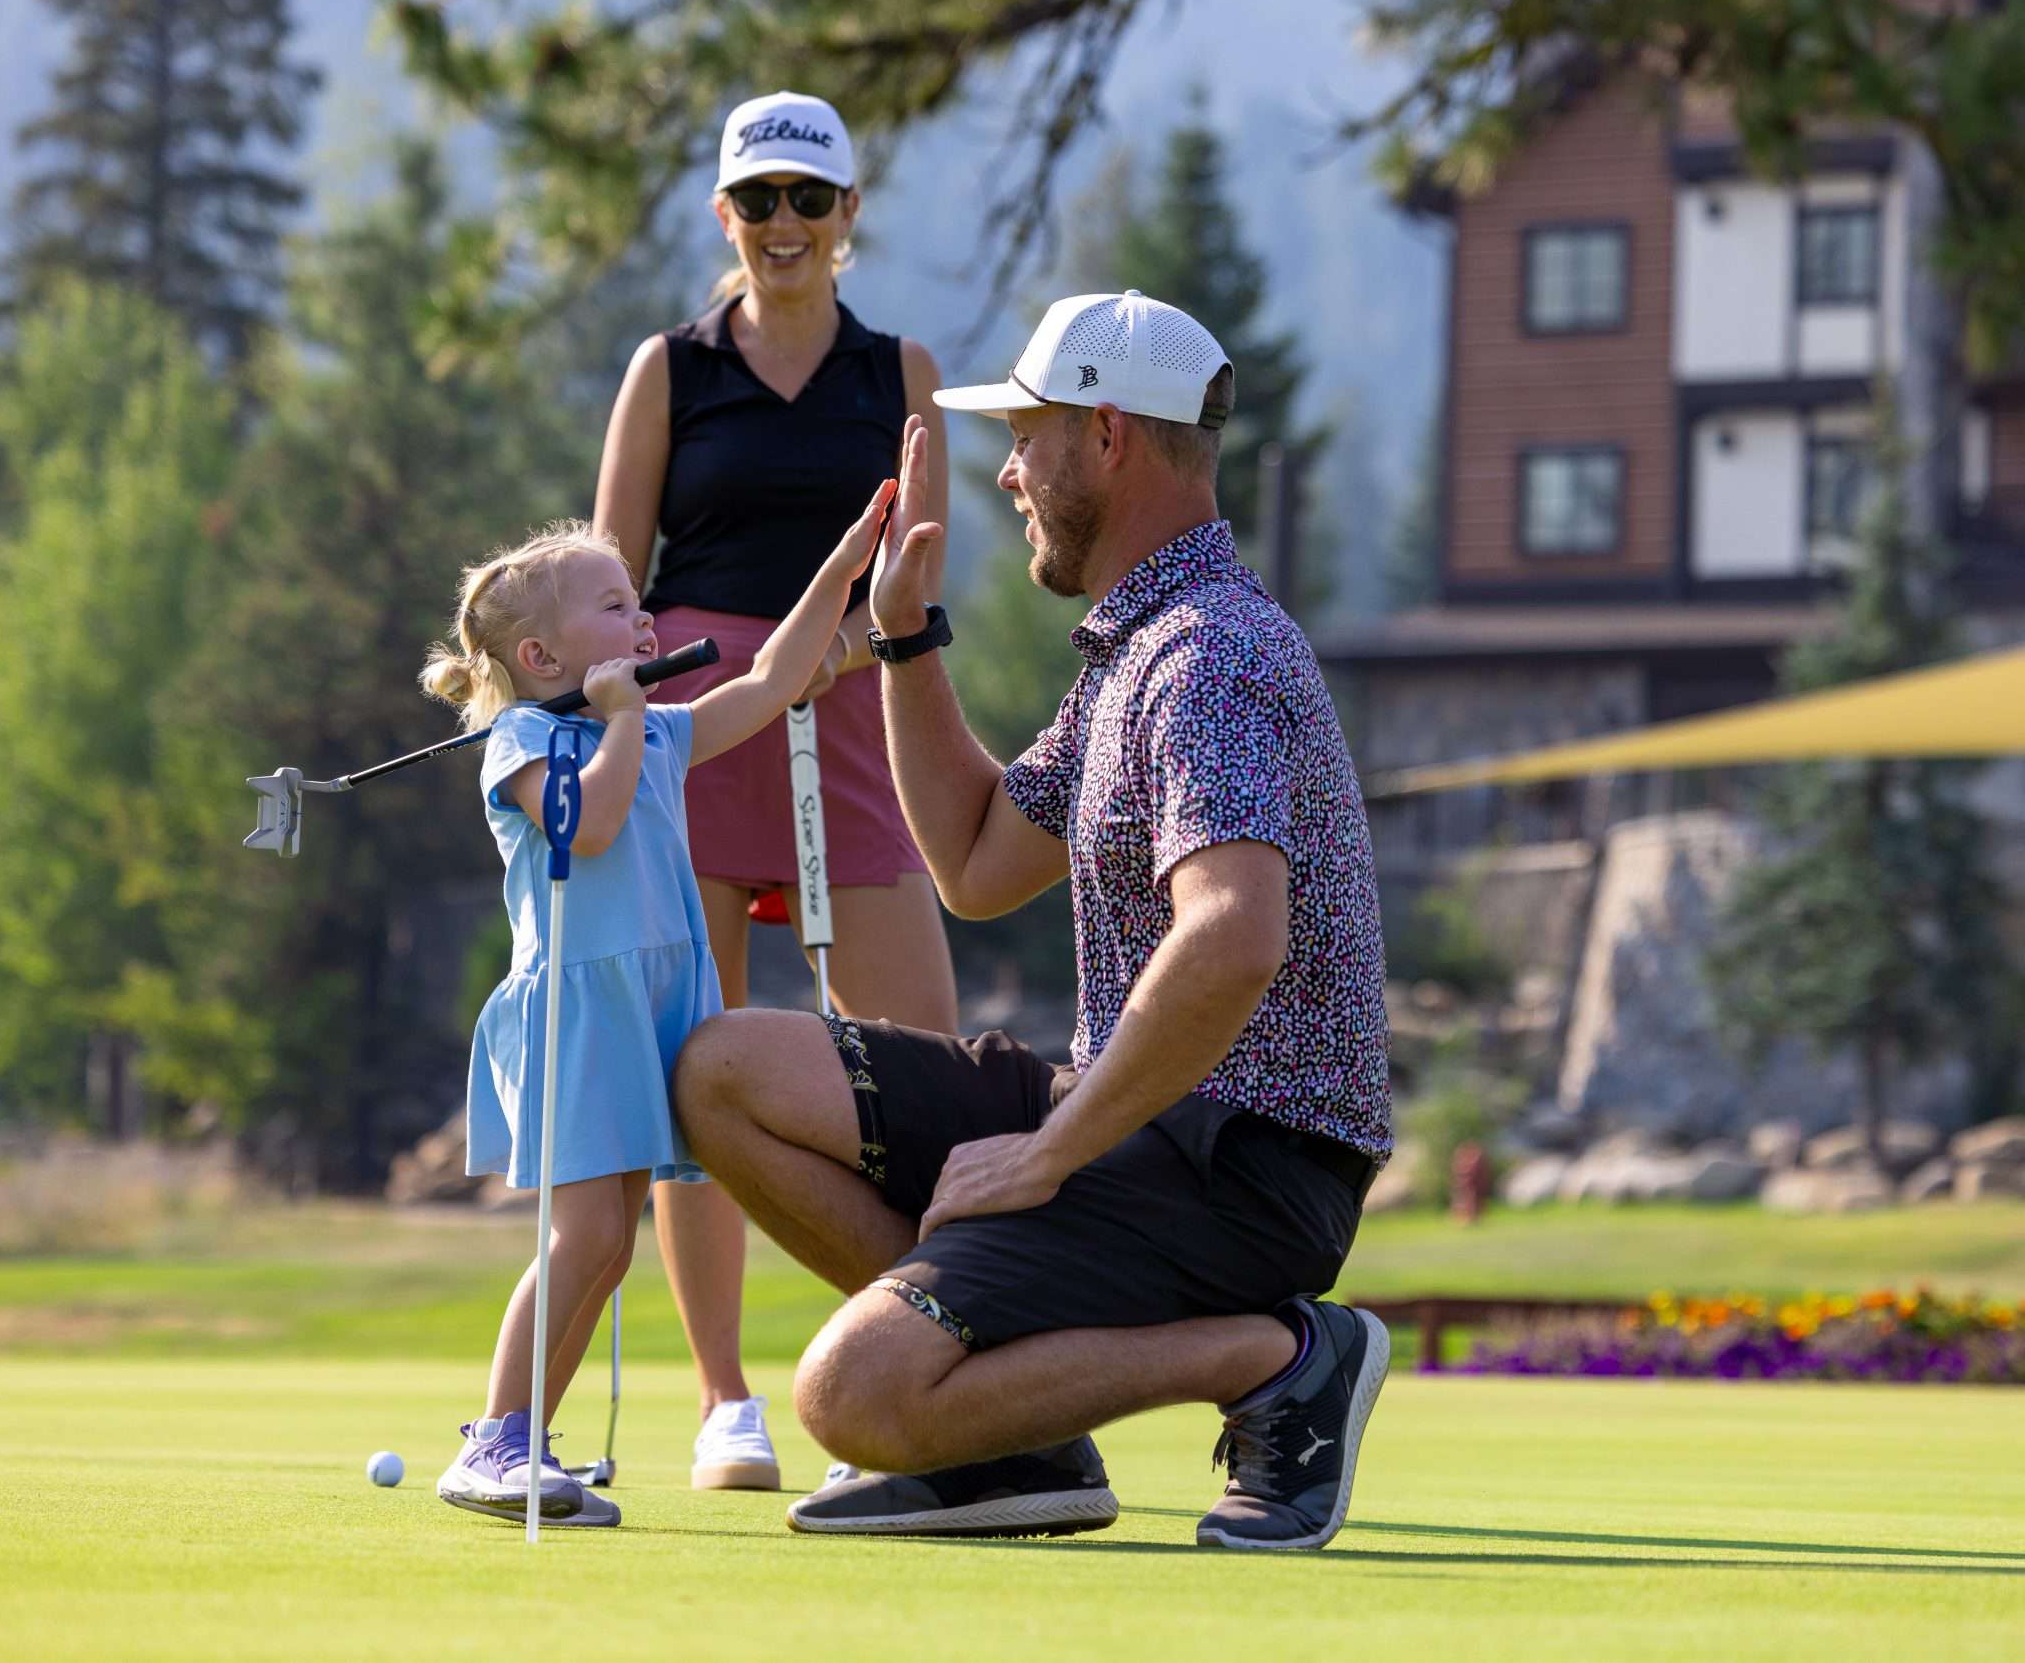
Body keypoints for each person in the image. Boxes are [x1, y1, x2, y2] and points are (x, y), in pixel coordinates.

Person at [673, 291, 1395, 1551]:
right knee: (726, 1069)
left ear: (1105, 437)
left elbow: (1233, 937)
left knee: (852, 1394)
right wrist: (904, 638)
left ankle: (1283, 1354)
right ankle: (1005, 1436)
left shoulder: (1204, 655)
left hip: (1242, 1162)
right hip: (1133, 1119)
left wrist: (1049, 1155)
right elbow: (971, 860)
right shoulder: (1136, 648)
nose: (1006, 470)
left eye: (1026, 432)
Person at [591, 90, 959, 1492]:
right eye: (761, 201)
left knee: (919, 1067)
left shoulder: (900, 373)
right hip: (694, 735)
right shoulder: (671, 371)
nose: (786, 225)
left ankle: (919, 1374)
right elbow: (611, 577)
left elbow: (921, 576)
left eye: (813, 200)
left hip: (853, 725)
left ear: (850, 216)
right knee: (705, 1062)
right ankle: (724, 1400)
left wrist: (839, 653)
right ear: (724, 217)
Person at [416, 483, 890, 1528]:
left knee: (610, 1242)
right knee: (583, 1237)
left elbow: (771, 680)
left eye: (638, 604)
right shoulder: (526, 749)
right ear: (541, 659)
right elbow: (587, 826)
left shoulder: (656, 733)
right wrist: (627, 717)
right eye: (614, 607)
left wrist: (845, 560)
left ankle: (523, 1436)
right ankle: (496, 1438)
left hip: (652, 1009)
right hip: (579, 1021)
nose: (643, 622)